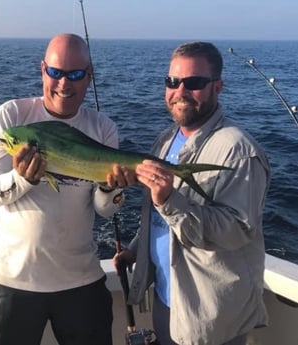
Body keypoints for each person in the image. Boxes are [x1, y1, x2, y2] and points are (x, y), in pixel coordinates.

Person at [113, 41, 270, 345]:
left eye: (194, 82)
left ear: (218, 86)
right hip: (166, 301)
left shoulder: (238, 151)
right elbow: (159, 217)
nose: (180, 91)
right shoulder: (165, 140)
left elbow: (236, 231)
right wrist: (136, 248)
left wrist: (170, 200)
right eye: (172, 81)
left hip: (209, 317)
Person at [0, 33, 124, 345]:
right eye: (56, 72)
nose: (64, 84)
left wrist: (109, 189)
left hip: (81, 281)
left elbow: (105, 208)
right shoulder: (11, 117)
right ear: (43, 69)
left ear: (89, 76)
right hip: (13, 281)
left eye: (75, 74)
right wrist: (23, 179)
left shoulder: (104, 128)